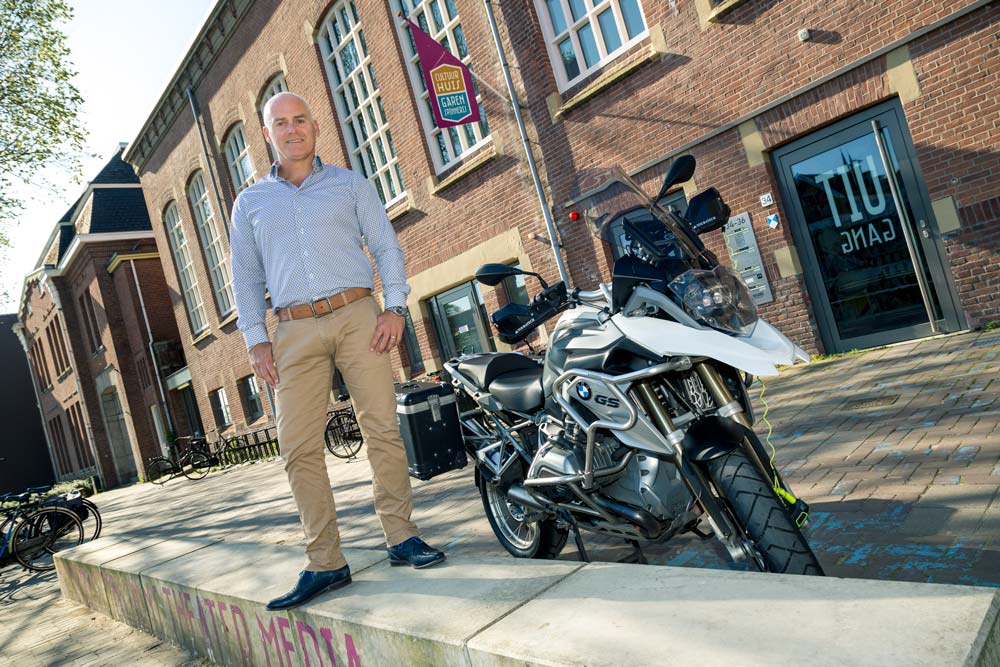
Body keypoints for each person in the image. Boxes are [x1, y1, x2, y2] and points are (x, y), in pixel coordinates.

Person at [229, 92, 445, 611]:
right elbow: (245, 275)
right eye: (280, 123)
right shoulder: (250, 203)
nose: (292, 129)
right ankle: (325, 561)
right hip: (293, 330)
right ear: (267, 134)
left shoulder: (350, 184)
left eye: (300, 119)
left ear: (315, 126)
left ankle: (401, 537)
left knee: (381, 428)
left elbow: (386, 244)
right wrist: (255, 338)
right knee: (297, 446)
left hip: (358, 317)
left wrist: (394, 306)